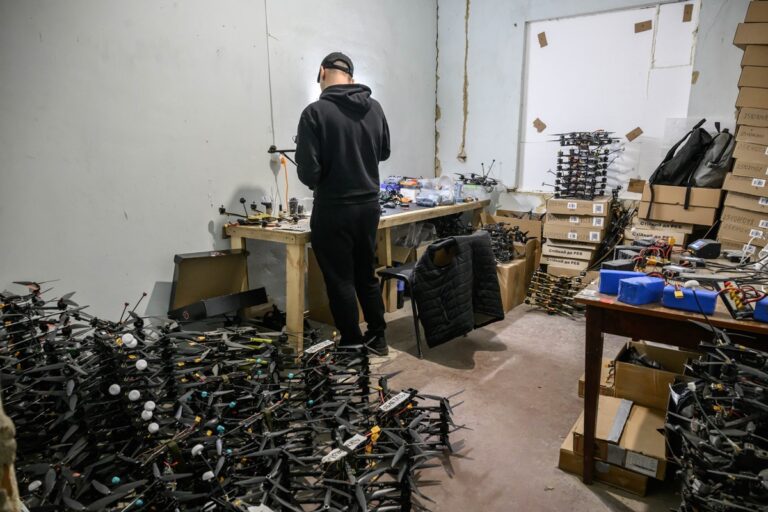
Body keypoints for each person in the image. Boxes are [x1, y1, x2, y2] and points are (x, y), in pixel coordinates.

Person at [296, 52, 391, 355]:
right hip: (369, 206)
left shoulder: (315, 113)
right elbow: (384, 152)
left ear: (322, 72)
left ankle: (351, 343)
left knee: (340, 279)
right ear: (350, 76)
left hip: (334, 208)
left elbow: (309, 173)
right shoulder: (374, 107)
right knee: (366, 274)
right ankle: (378, 337)